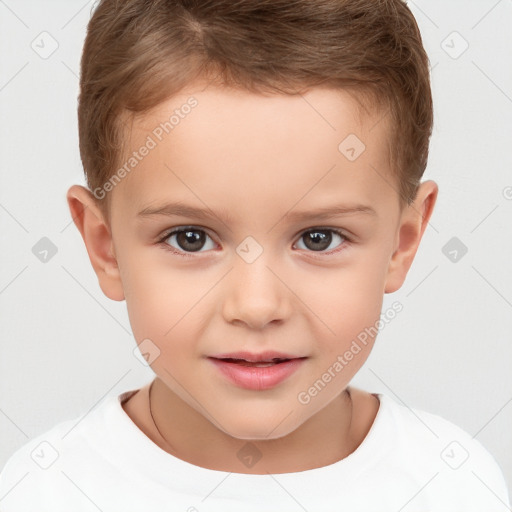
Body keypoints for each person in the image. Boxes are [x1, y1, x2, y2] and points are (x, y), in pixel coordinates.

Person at [0, 0, 509, 510]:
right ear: (104, 247)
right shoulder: (43, 491)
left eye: (319, 238)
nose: (257, 305)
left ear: (403, 242)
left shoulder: (453, 485)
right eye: (190, 238)